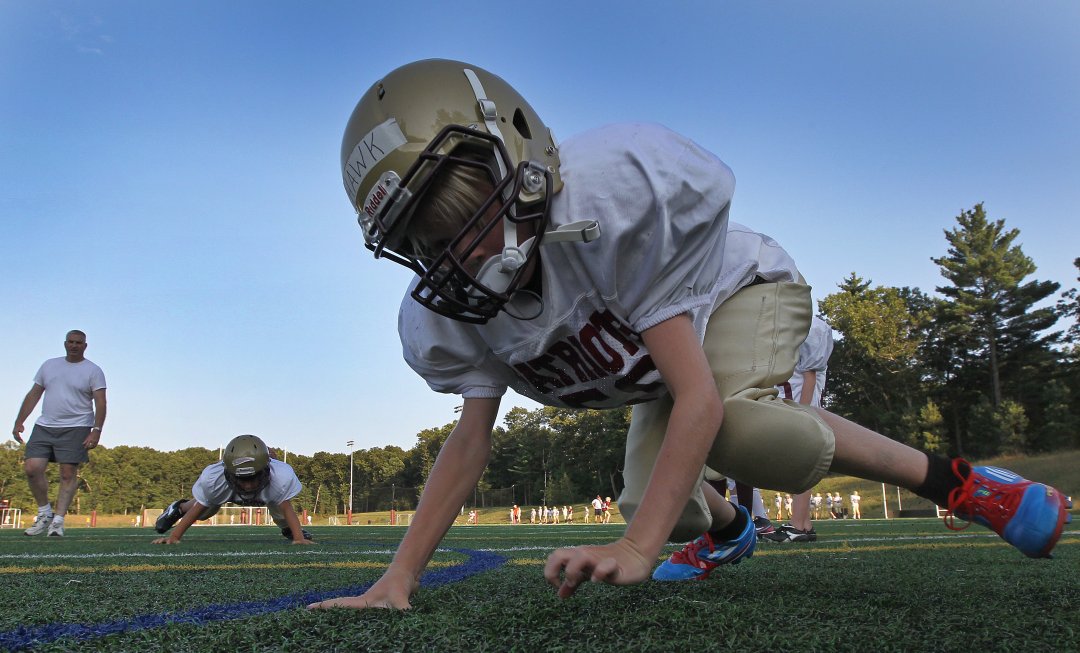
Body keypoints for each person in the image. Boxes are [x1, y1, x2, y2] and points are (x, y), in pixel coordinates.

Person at [309, 59, 1072, 609]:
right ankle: (732, 528)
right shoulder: (443, 321)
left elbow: (698, 397)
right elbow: (469, 444)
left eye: (470, 205)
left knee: (733, 431)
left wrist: (638, 551)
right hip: (662, 371)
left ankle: (964, 484)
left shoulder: (612, 203)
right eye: (432, 237)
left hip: (737, 294)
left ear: (519, 148)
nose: (467, 248)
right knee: (663, 504)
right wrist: (397, 576)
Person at [12, 330, 107, 538]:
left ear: (85, 346)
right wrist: (20, 421)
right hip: (45, 425)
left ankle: (58, 521)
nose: (74, 346)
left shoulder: (93, 370)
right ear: (65, 344)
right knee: (32, 467)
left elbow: (101, 401)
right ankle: (44, 513)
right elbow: (34, 393)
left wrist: (96, 430)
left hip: (77, 426)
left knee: (67, 473)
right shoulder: (49, 365)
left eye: (79, 343)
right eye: (71, 342)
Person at [152, 434, 314, 545]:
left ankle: (288, 530)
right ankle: (179, 508)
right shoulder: (214, 479)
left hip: (269, 491)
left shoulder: (280, 476)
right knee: (205, 512)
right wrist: (174, 537)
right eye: (243, 479)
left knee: (278, 505)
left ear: (266, 469)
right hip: (228, 492)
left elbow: (287, 508)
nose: (248, 486)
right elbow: (199, 507)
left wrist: (298, 538)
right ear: (228, 472)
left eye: (253, 478)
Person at [765, 316, 834, 543]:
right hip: (796, 399)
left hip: (801, 400)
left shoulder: (809, 325)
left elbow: (810, 375)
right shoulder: (800, 324)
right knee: (799, 462)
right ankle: (803, 523)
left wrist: (803, 411)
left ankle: (798, 525)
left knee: (802, 461)